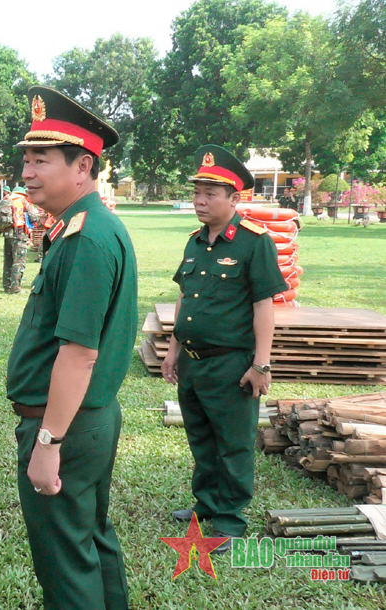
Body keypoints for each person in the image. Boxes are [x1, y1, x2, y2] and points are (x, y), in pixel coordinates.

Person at [7, 87, 136, 610]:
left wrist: (47, 443)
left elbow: (79, 354)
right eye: (26, 159)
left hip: (67, 423)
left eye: (41, 159)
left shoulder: (86, 236)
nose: (27, 171)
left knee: (64, 559)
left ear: (83, 165)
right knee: (89, 537)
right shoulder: (79, 227)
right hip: (86, 418)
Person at [161, 145, 287, 553]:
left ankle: (230, 519)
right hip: (195, 362)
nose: (200, 200)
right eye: (197, 191)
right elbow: (186, 298)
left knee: (232, 443)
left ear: (235, 199)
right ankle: (206, 504)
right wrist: (172, 348)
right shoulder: (195, 242)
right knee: (201, 438)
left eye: (210, 193)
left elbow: (263, 306)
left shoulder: (254, 242)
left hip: (232, 363)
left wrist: (261, 365)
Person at [0, 186, 33, 293]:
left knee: (8, 260)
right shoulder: (23, 201)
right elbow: (34, 217)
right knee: (18, 260)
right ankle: (15, 288)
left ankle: (6, 285)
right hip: (19, 233)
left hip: (8, 233)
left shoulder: (7, 200)